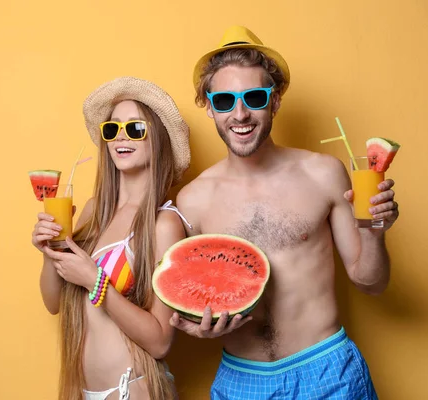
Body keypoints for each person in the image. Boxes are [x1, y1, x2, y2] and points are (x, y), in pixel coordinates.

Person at [171, 26, 399, 399]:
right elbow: (187, 302)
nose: (240, 114)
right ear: (210, 107)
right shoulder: (193, 200)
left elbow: (370, 282)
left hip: (327, 371)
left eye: (254, 97)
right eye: (225, 101)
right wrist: (195, 327)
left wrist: (374, 232)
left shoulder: (323, 173)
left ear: (274, 101)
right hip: (240, 380)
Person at [31, 76, 192, 399]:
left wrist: (96, 281)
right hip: (84, 390)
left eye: (135, 129)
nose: (121, 137)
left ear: (157, 140)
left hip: (134, 390)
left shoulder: (164, 224)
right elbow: (53, 304)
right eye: (112, 129)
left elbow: (160, 340)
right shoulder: (92, 213)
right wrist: (49, 253)